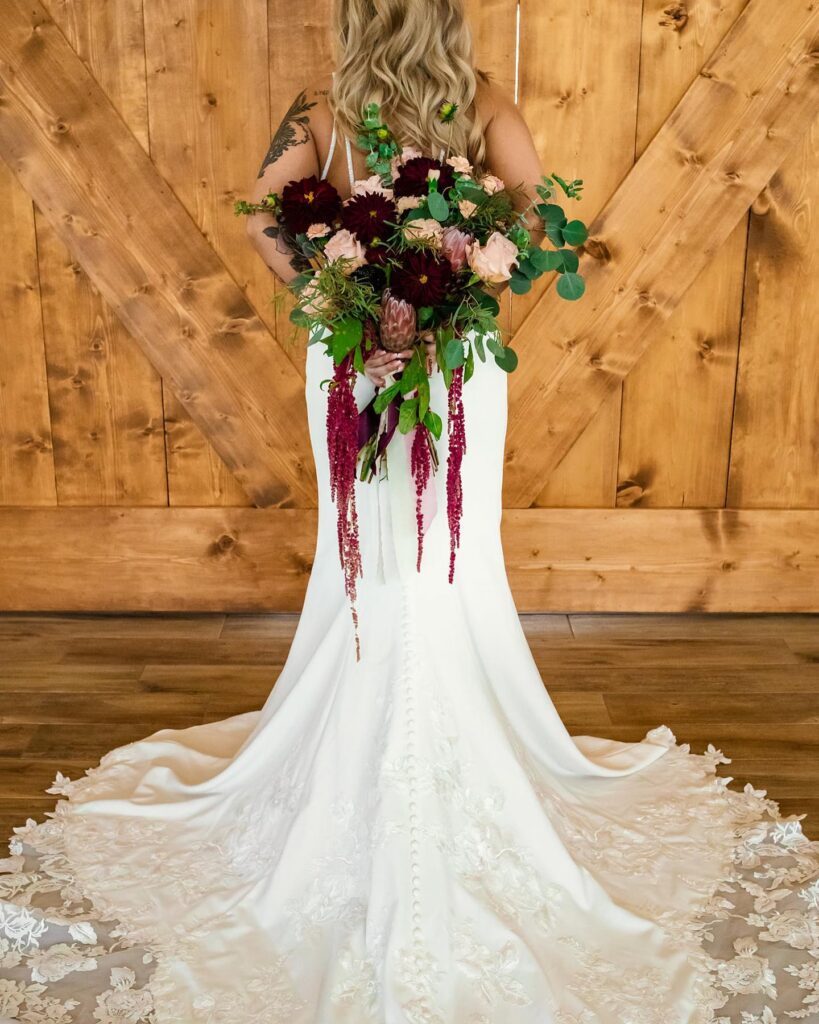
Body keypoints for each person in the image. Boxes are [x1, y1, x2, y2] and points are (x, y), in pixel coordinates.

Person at [1, 2, 817, 1022]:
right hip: (404, 360)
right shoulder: (455, 102)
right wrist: (405, 296)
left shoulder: (335, 106)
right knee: (404, 561)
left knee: (429, 562)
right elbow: (533, 219)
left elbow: (289, 217)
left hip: (410, 361)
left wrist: (360, 298)